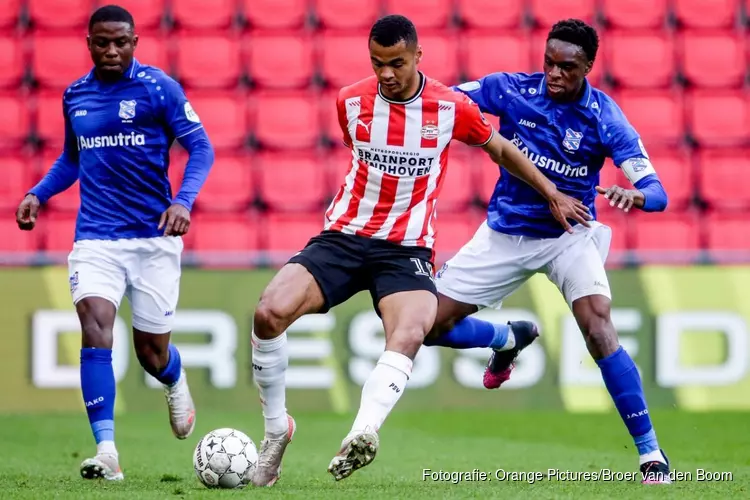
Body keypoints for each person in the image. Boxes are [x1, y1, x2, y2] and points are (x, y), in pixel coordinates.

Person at [249, 14, 590, 487]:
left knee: (410, 331)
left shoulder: (452, 107)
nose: (386, 73)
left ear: (417, 57)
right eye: (377, 63)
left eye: (397, 63)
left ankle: (363, 432)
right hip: (344, 236)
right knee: (268, 313)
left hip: (406, 248)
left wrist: (552, 192)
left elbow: (503, 149)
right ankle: (276, 430)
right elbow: (357, 156)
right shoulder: (349, 100)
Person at [423, 19, 672, 484]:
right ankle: (505, 339)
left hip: (568, 236)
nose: (555, 74)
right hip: (505, 233)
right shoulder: (510, 90)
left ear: (589, 67)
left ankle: (651, 454)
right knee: (424, 326)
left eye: (568, 67)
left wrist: (634, 196)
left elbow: (657, 193)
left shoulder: (604, 117)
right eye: (549, 63)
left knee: (598, 325)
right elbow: (443, 101)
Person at [15, 5, 214, 482]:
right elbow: (71, 158)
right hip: (96, 239)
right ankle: (107, 452)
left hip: (154, 238)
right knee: (95, 327)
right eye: (102, 42)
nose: (111, 50)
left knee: (151, 354)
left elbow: (202, 147)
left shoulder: (158, 89)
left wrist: (183, 201)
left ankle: (174, 376)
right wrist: (37, 193)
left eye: (120, 42)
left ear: (134, 42)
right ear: (88, 43)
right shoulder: (76, 95)